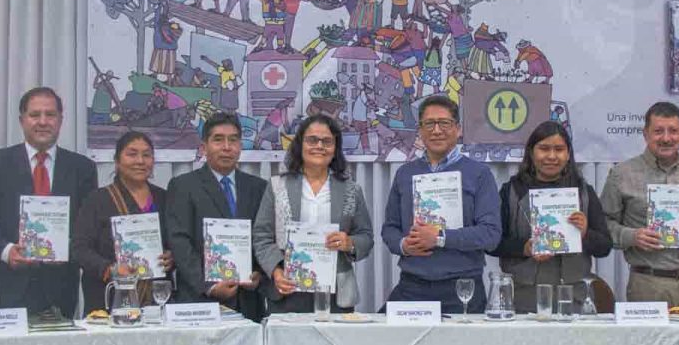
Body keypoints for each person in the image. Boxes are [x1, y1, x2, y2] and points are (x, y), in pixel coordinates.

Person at [0, 87, 99, 318]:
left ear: (60, 120)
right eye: (34, 115)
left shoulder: (83, 168)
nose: (43, 122)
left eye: (50, 115)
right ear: (22, 120)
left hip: (60, 288)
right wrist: (7, 251)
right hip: (5, 285)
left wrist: (66, 249)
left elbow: (88, 225)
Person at [381, 96, 501, 313]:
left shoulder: (479, 174)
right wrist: (403, 245)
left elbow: (490, 234)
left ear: (458, 129)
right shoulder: (405, 174)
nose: (436, 130)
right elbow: (390, 228)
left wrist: (439, 237)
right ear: (420, 130)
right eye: (429, 124)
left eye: (444, 123)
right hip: (412, 285)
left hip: (462, 288)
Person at [600, 102, 679, 313]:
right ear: (645, 134)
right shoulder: (622, 174)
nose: (666, 138)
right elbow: (602, 224)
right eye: (658, 131)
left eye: (673, 131)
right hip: (648, 285)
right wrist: (632, 236)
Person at [253, 113, 373, 315]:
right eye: (312, 140)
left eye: (327, 141)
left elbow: (366, 237)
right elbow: (261, 237)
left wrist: (349, 243)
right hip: (288, 290)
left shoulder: (351, 189)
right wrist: (276, 271)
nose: (319, 146)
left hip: (336, 293)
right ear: (300, 144)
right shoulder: (277, 186)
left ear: (335, 148)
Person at [493, 120, 613, 313]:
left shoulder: (584, 192)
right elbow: (493, 243)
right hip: (524, 297)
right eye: (544, 149)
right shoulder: (512, 191)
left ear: (568, 154)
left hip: (573, 297)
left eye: (559, 149)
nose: (551, 156)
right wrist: (524, 248)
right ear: (531, 153)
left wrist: (585, 233)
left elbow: (605, 247)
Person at [166, 112, 267, 319]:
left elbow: (265, 237)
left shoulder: (259, 187)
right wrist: (209, 286)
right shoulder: (183, 186)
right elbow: (179, 242)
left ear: (240, 146)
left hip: (248, 301)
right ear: (204, 147)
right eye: (218, 140)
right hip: (200, 301)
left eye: (233, 140)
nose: (227, 147)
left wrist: (259, 273)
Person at [73, 132, 172, 314]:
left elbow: (178, 242)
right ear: (117, 161)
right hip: (108, 299)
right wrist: (110, 269)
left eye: (146, 155)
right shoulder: (97, 200)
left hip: (156, 301)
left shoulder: (165, 198)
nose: (140, 161)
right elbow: (79, 249)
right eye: (132, 154)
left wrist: (172, 258)